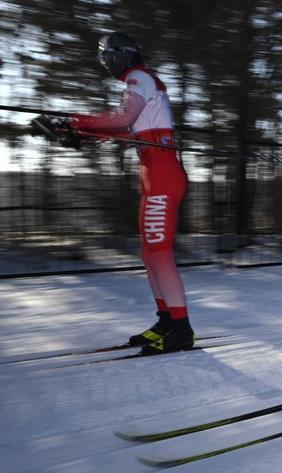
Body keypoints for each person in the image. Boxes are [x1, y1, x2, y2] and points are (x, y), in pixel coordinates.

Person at [39, 32, 193, 354]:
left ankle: (180, 329)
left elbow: (123, 118)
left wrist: (75, 121)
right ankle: (167, 320)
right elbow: (124, 129)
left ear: (122, 54)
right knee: (150, 252)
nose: (105, 62)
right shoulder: (139, 82)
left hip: (162, 172)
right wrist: (77, 132)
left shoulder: (139, 77)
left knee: (160, 252)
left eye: (107, 56)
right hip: (153, 171)